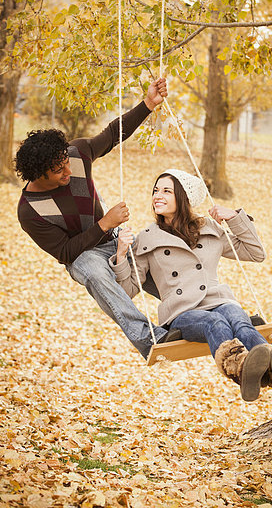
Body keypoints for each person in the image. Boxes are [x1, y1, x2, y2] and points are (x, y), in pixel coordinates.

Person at [14, 79, 181, 360]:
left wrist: (149, 104)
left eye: (66, 160)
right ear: (38, 173)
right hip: (84, 256)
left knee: (161, 257)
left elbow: (113, 133)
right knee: (93, 270)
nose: (68, 169)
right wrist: (105, 224)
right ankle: (151, 339)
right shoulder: (29, 211)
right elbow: (66, 252)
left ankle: (208, 314)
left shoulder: (76, 153)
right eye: (58, 169)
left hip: (113, 241)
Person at [110, 169, 272, 404]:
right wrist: (121, 254)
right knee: (215, 322)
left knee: (237, 318)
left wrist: (233, 217)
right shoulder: (146, 238)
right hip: (182, 312)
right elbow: (128, 290)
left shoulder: (209, 228)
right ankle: (241, 368)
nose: (157, 196)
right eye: (155, 191)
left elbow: (255, 253)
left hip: (217, 299)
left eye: (166, 191)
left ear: (183, 198)